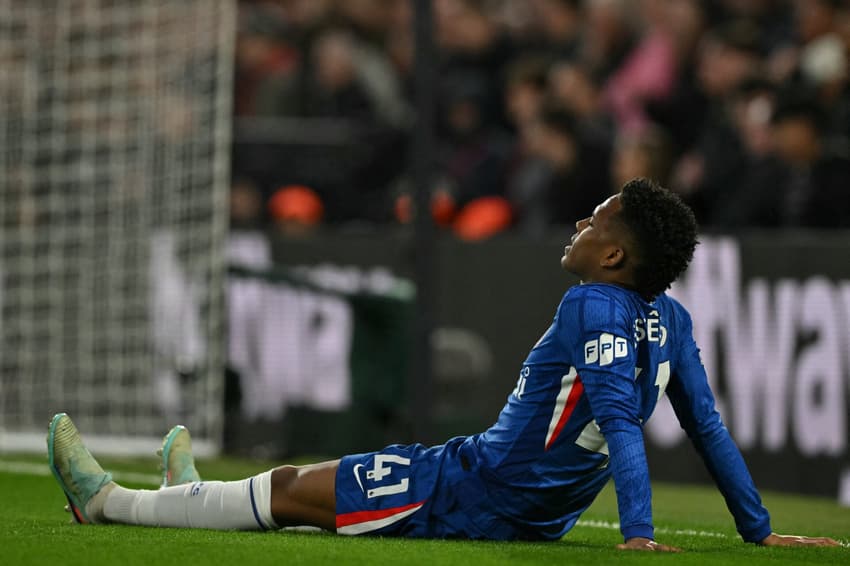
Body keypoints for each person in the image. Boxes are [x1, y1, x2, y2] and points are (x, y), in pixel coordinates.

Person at [48, 178, 839, 552]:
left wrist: (636, 535)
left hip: (472, 490)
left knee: (290, 491)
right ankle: (189, 492)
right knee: (294, 484)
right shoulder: (672, 319)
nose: (578, 221)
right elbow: (704, 422)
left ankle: (108, 504)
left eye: (593, 218)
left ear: (614, 253)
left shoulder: (592, 307)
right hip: (526, 506)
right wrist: (758, 531)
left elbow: (625, 420)